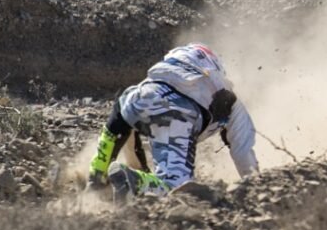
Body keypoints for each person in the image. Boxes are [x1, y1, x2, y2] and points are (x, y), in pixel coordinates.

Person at [87, 43, 258, 198]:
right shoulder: (229, 97)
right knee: (178, 189)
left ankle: (98, 177)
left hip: (139, 96)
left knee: (123, 112)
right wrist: (257, 188)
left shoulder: (173, 63)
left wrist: (99, 174)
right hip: (176, 115)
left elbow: (117, 122)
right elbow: (243, 153)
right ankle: (133, 180)